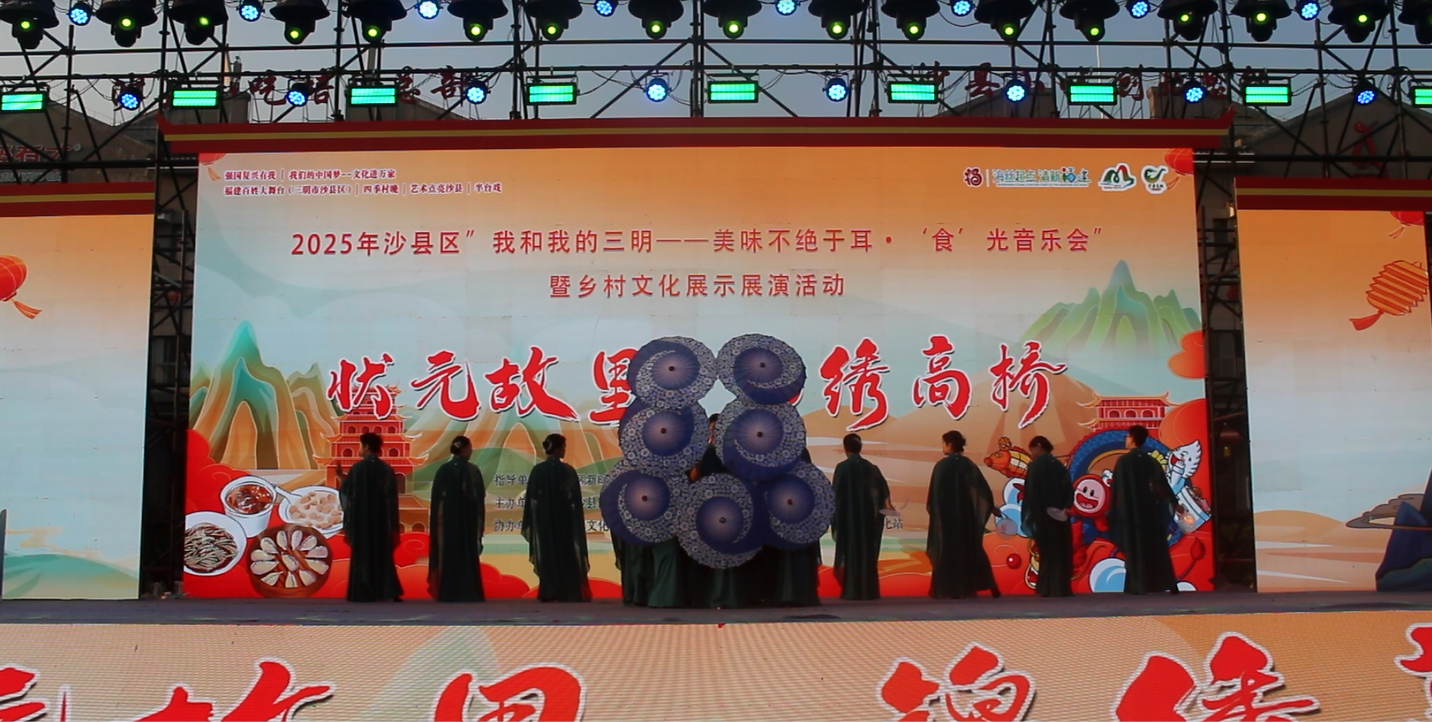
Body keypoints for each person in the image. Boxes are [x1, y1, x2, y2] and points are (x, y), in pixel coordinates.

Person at [926, 430, 1003, 600]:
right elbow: (982, 489)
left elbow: (934, 497)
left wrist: (937, 516)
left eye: (943, 443)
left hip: (947, 517)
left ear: (950, 444)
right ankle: (991, 586)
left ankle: (950, 589)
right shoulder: (968, 465)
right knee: (972, 550)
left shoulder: (941, 466)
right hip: (966, 517)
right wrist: (990, 507)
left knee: (947, 553)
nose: (942, 447)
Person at [1109, 425, 1182, 596]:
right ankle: (1168, 584)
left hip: (1130, 512)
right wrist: (1174, 502)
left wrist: (1112, 511)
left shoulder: (1123, 461)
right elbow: (1162, 484)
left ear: (1133, 438)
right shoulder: (1151, 461)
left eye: (1128, 436)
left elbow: (1116, 489)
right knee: (1156, 549)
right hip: (1150, 512)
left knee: (1134, 548)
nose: (1126, 439)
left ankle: (1137, 585)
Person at [522, 434, 592, 602]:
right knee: (565, 553)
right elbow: (573, 499)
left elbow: (532, 498)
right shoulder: (567, 471)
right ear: (559, 448)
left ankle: (549, 591)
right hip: (564, 520)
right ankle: (567, 591)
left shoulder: (537, 471)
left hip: (544, 521)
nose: (564, 450)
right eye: (564, 447)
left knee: (547, 553)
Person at [338, 432, 403, 603]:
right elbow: (391, 498)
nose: (359, 449)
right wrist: (392, 524)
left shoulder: (357, 469)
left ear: (366, 446)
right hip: (381, 521)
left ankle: (363, 591)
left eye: (360, 445)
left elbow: (347, 494)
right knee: (383, 555)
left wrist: (341, 479)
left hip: (361, 521)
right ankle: (387, 591)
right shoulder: (386, 469)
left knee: (363, 555)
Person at [690, 414, 743, 609]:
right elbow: (694, 478)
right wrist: (698, 463)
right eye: (712, 429)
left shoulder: (734, 452)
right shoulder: (704, 452)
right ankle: (713, 596)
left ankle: (726, 596)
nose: (714, 432)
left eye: (718, 429)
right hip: (707, 506)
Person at [832, 433, 892, 601]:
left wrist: (836, 520)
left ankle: (852, 591)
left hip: (849, 522)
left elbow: (835, 497)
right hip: (867, 522)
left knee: (851, 553)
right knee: (867, 553)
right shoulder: (871, 468)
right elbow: (883, 492)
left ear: (845, 448)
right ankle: (868, 590)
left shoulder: (842, 468)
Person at [427, 435, 486, 602]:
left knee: (448, 553)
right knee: (467, 553)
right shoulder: (473, 470)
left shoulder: (443, 470)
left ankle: (448, 591)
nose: (471, 450)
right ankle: (469, 591)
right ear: (464, 449)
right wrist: (479, 524)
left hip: (448, 521)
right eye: (470, 447)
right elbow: (479, 499)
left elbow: (437, 499)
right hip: (468, 520)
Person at [1021, 436, 1074, 598]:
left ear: (1039, 446)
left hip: (1042, 517)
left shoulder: (1035, 466)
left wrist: (1030, 516)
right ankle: (1061, 587)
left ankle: (1046, 587)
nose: (1032, 454)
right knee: (1061, 551)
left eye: (1032, 450)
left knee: (1046, 552)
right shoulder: (1058, 466)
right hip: (1059, 516)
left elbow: (1030, 493)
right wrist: (1065, 508)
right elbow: (1069, 489)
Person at [769, 447, 821, 607]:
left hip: (785, 509)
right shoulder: (802, 454)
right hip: (801, 510)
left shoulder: (779, 454)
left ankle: (787, 593)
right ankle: (802, 594)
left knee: (787, 555)